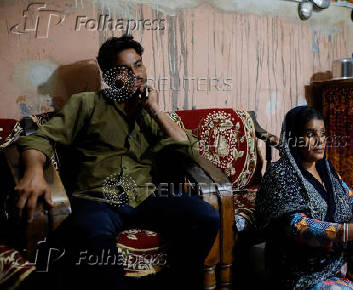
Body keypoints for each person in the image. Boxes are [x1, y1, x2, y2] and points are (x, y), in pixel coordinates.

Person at [14, 35, 220, 290]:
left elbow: (190, 152)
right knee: (93, 239)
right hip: (96, 200)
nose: (136, 74)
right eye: (125, 69)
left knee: (206, 216)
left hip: (144, 197)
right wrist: (33, 172)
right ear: (109, 75)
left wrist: (155, 110)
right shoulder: (86, 104)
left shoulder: (152, 115)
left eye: (139, 65)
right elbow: (39, 139)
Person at [255, 106, 353, 289]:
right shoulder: (280, 175)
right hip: (301, 273)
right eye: (310, 134)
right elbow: (298, 227)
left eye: (322, 133)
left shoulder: (325, 170)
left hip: (335, 261)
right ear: (294, 139)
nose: (320, 140)